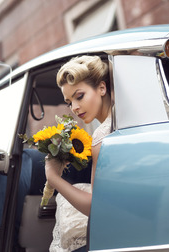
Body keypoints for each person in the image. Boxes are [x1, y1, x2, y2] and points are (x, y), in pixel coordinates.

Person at [45, 55, 112, 252]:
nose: (74, 107)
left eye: (79, 96)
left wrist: (53, 178)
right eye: (69, 102)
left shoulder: (101, 136)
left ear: (101, 88)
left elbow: (94, 208)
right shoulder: (116, 121)